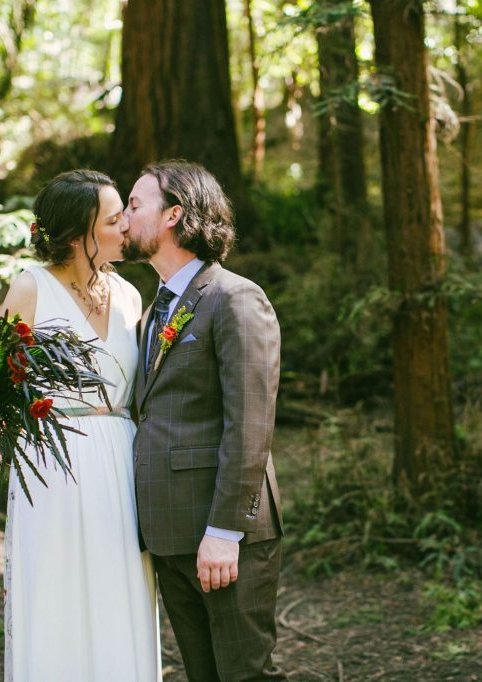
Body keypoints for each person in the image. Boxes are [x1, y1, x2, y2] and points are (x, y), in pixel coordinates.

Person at [123, 159, 285, 681]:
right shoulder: (155, 311)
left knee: (245, 675)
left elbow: (250, 424)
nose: (123, 219)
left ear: (173, 215)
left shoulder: (235, 299)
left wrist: (224, 530)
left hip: (222, 535)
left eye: (134, 205)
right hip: (171, 536)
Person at [0, 169, 160, 681]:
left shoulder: (131, 296)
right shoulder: (31, 288)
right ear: (77, 235)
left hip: (121, 461)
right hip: (53, 463)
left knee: (123, 587)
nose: (127, 227)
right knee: (56, 589)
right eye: (114, 220)